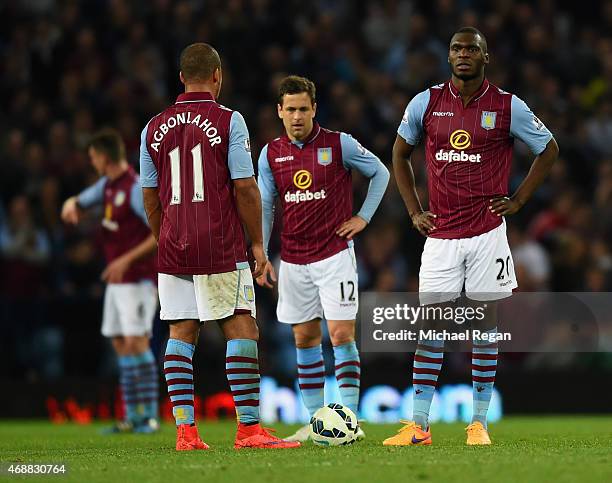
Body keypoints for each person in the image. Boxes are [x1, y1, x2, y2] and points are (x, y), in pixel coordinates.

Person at [382, 27, 559, 447]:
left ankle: (478, 424)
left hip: (486, 234)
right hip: (441, 235)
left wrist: (517, 201)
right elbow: (399, 153)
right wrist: (413, 211)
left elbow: (548, 148)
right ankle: (418, 426)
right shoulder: (425, 102)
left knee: (484, 327)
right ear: (449, 57)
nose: (464, 55)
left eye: (472, 49)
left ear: (486, 57)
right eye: (457, 49)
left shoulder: (506, 106)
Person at [139, 43, 300, 451]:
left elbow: (150, 196)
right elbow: (245, 186)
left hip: (173, 244)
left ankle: (186, 432)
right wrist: (259, 245)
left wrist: (166, 239)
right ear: (216, 75)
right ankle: (248, 430)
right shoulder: (229, 120)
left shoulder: (151, 127)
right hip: (219, 241)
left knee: (180, 332)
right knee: (241, 325)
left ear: (181, 78)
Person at [256, 75, 390, 442]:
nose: (297, 116)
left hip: (334, 255)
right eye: (291, 110)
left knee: (342, 333)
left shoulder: (339, 144)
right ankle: (317, 421)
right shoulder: (270, 154)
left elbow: (381, 172)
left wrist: (363, 217)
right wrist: (263, 253)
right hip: (293, 260)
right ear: (279, 111)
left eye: (303, 109)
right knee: (304, 339)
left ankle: (349, 419)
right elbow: (266, 204)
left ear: (314, 109)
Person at [61, 129, 160, 433]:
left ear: (104, 157)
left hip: (140, 279)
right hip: (117, 282)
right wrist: (72, 203)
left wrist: (125, 259)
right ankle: (131, 416)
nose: (92, 163)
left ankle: (150, 416)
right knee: (120, 343)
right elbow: (80, 200)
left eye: (93, 157)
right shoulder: (106, 185)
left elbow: (160, 233)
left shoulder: (133, 189)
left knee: (137, 342)